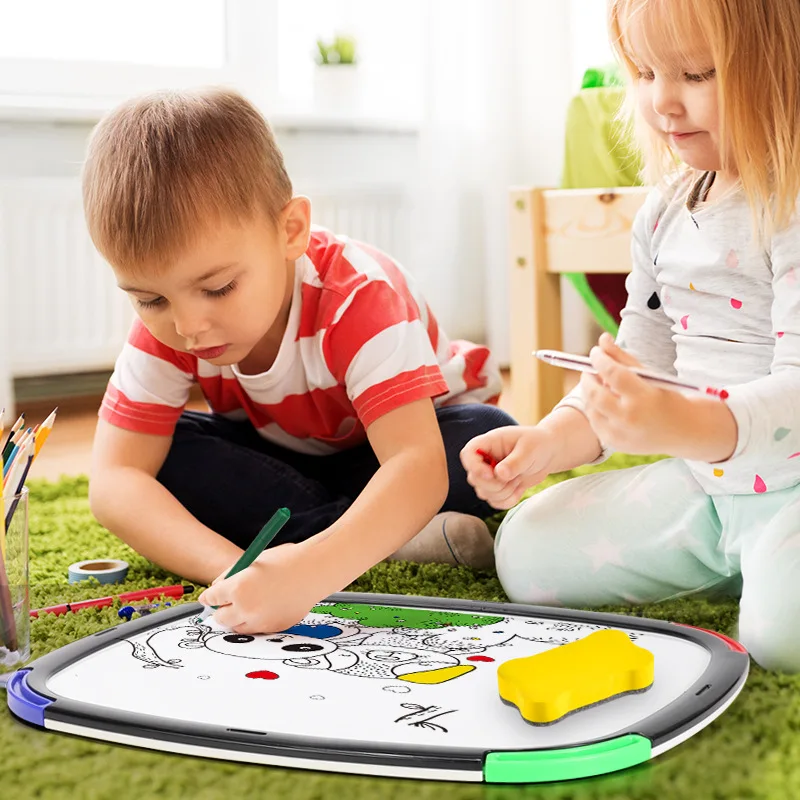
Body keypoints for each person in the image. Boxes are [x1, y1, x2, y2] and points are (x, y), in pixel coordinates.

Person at [83, 87, 514, 634]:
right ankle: (390, 537)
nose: (187, 327)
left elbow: (416, 464)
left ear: (290, 231)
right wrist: (238, 573)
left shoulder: (358, 295)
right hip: (287, 459)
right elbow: (115, 479)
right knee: (163, 458)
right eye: (150, 300)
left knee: (483, 437)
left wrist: (307, 573)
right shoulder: (171, 325)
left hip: (395, 449)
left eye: (217, 288)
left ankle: (353, 532)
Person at [462, 0, 800, 672]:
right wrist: (547, 442)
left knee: (782, 639)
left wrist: (678, 421)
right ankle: (745, 565)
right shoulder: (664, 210)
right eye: (645, 72)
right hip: (703, 490)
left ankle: (768, 569)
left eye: (698, 73)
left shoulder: (788, 202)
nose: (662, 102)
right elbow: (634, 361)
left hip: (789, 489)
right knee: (524, 551)